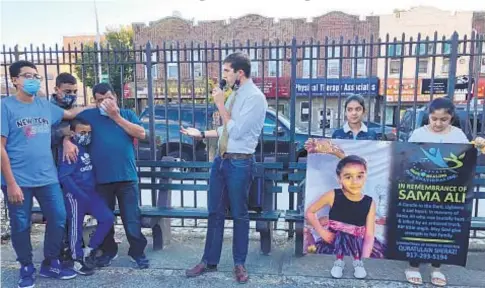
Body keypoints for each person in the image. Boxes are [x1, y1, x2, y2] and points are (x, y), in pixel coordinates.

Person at [181, 52, 268, 284]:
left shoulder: (255, 98)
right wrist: (201, 134)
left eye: (227, 71)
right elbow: (226, 130)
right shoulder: (235, 95)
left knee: (239, 214)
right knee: (214, 212)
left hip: (240, 162)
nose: (224, 76)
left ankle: (239, 264)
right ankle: (209, 260)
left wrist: (220, 104)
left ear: (240, 73)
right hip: (221, 160)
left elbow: (237, 130)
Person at [1, 60, 86, 288]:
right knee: (21, 225)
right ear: (15, 80)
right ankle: (26, 266)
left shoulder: (44, 106)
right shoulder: (5, 107)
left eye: (36, 75)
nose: (33, 79)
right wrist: (10, 183)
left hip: (47, 177)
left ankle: (50, 262)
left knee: (58, 217)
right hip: (18, 180)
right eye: (27, 75)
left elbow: (69, 114)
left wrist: (99, 106)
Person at [64, 82, 149, 269]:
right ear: (95, 101)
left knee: (131, 217)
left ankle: (137, 252)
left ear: (115, 97)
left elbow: (141, 133)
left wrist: (115, 116)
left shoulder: (126, 114)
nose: (104, 103)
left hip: (126, 177)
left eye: (108, 98)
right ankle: (108, 251)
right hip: (101, 179)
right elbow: (68, 123)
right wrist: (65, 140)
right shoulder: (89, 116)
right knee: (105, 218)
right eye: (100, 100)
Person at [405, 97, 468, 287]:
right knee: (417, 227)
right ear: (428, 117)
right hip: (420, 189)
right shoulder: (418, 133)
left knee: (439, 228)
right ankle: (413, 266)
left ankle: (436, 268)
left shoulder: (458, 135)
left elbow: (468, 159)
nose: (438, 123)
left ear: (451, 118)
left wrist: (480, 146)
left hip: (446, 191)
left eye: (444, 119)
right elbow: (407, 158)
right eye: (434, 119)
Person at [58, 119, 115, 276]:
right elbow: (64, 177)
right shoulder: (70, 150)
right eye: (82, 132)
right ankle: (77, 260)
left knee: (107, 218)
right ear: (73, 133)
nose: (86, 136)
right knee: (75, 228)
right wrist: (79, 194)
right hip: (75, 196)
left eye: (89, 133)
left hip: (91, 194)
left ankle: (89, 249)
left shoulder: (87, 148)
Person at [49, 72, 80, 267]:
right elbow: (44, 136)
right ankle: (58, 252)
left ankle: (72, 247)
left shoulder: (76, 110)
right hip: (53, 171)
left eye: (74, 91)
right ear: (57, 90)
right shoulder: (47, 109)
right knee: (58, 213)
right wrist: (64, 135)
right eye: (67, 91)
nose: (71, 95)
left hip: (74, 172)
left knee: (72, 212)